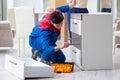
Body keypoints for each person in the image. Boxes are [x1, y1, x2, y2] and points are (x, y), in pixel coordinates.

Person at [29, 0, 76, 65]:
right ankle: (42, 56)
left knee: (61, 59)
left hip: (47, 41)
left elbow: (60, 9)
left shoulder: (56, 14)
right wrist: (60, 46)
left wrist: (72, 4)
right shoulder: (45, 29)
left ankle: (40, 51)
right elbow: (47, 47)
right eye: (57, 25)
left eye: (61, 24)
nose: (59, 27)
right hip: (35, 40)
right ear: (51, 22)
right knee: (52, 37)